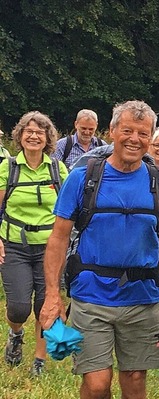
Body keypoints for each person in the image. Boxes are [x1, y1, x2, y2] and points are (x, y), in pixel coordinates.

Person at [39, 100, 159, 399]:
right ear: (112, 132)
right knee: (98, 384)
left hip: (143, 297)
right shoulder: (83, 178)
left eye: (142, 133)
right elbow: (58, 239)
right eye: (127, 131)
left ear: (150, 139)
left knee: (134, 378)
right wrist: (53, 295)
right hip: (91, 295)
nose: (134, 139)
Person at [0, 111, 68, 376]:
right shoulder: (8, 167)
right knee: (18, 307)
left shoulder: (57, 168)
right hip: (14, 244)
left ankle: (39, 361)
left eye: (40, 132)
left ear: (47, 138)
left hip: (49, 248)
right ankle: (16, 335)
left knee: (45, 304)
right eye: (28, 131)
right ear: (20, 135)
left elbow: (67, 210)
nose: (33, 136)